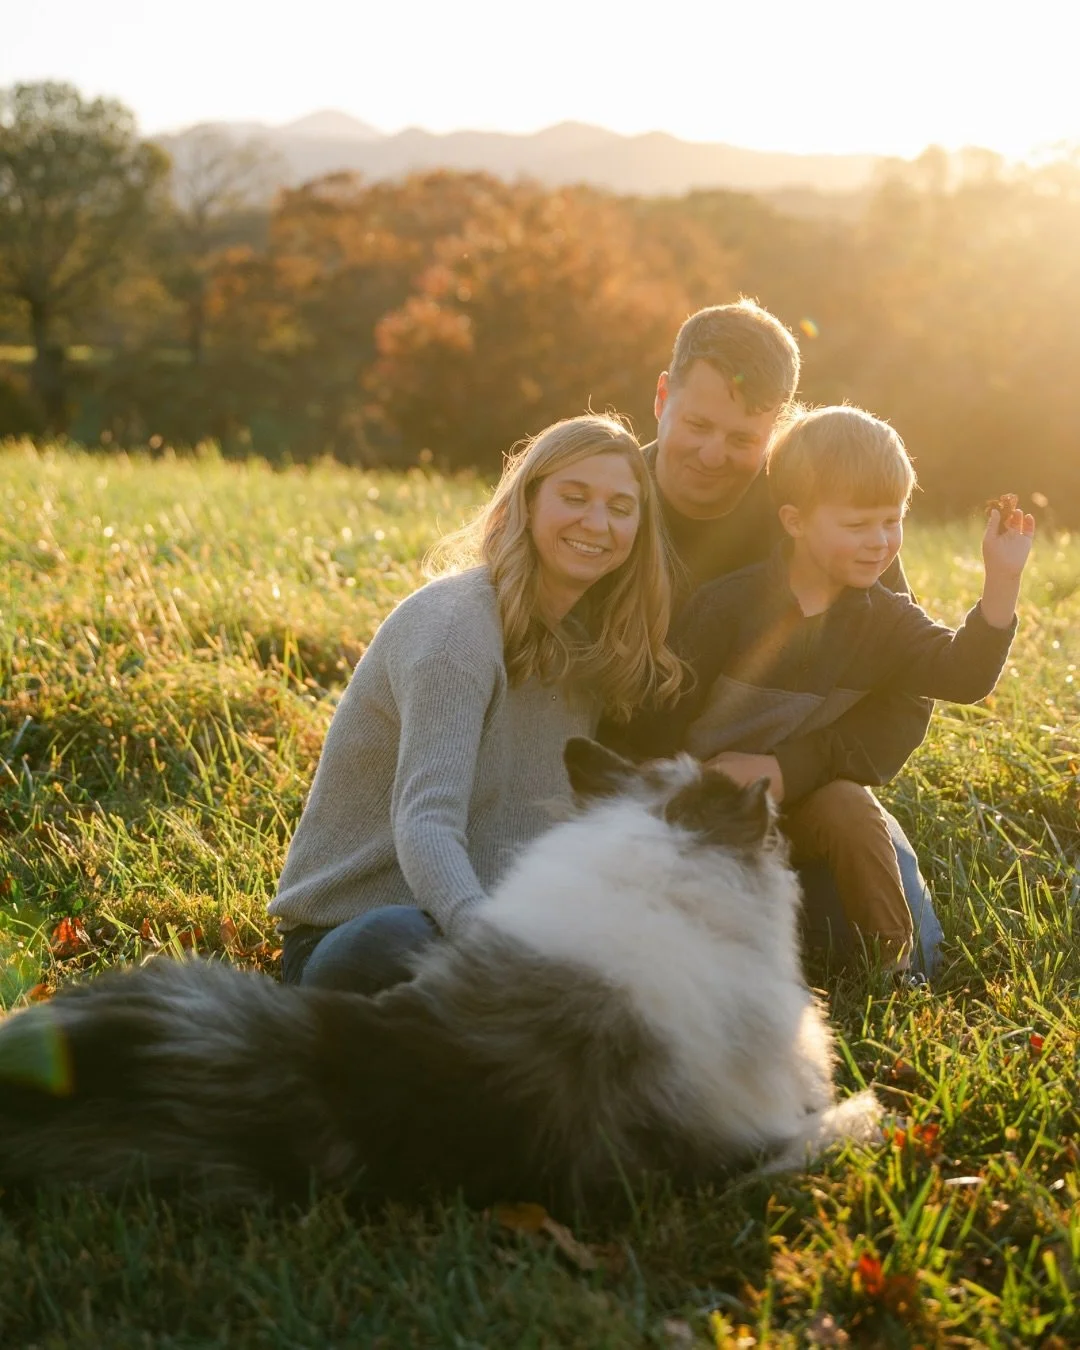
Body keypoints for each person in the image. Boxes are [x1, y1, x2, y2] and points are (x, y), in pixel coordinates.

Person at [269, 414, 682, 993]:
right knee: (404, 938)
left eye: (620, 506)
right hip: (361, 939)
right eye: (574, 496)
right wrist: (493, 948)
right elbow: (426, 823)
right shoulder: (454, 628)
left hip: (500, 938)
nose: (597, 522)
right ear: (528, 502)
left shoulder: (587, 650)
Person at [622, 405, 1035, 969]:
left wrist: (1002, 581)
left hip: (803, 800)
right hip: (703, 801)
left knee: (851, 807)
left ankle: (896, 970)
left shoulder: (884, 617)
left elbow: (962, 674)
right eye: (857, 525)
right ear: (794, 521)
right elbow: (658, 717)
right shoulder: (726, 607)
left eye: (892, 521)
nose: (880, 542)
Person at [623, 299, 946, 975]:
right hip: (647, 792)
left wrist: (787, 770)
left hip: (803, 794)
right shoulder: (608, 500)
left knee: (866, 938)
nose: (713, 454)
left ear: (777, 431)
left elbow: (905, 691)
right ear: (662, 396)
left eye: (743, 439)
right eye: (698, 424)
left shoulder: (821, 514)